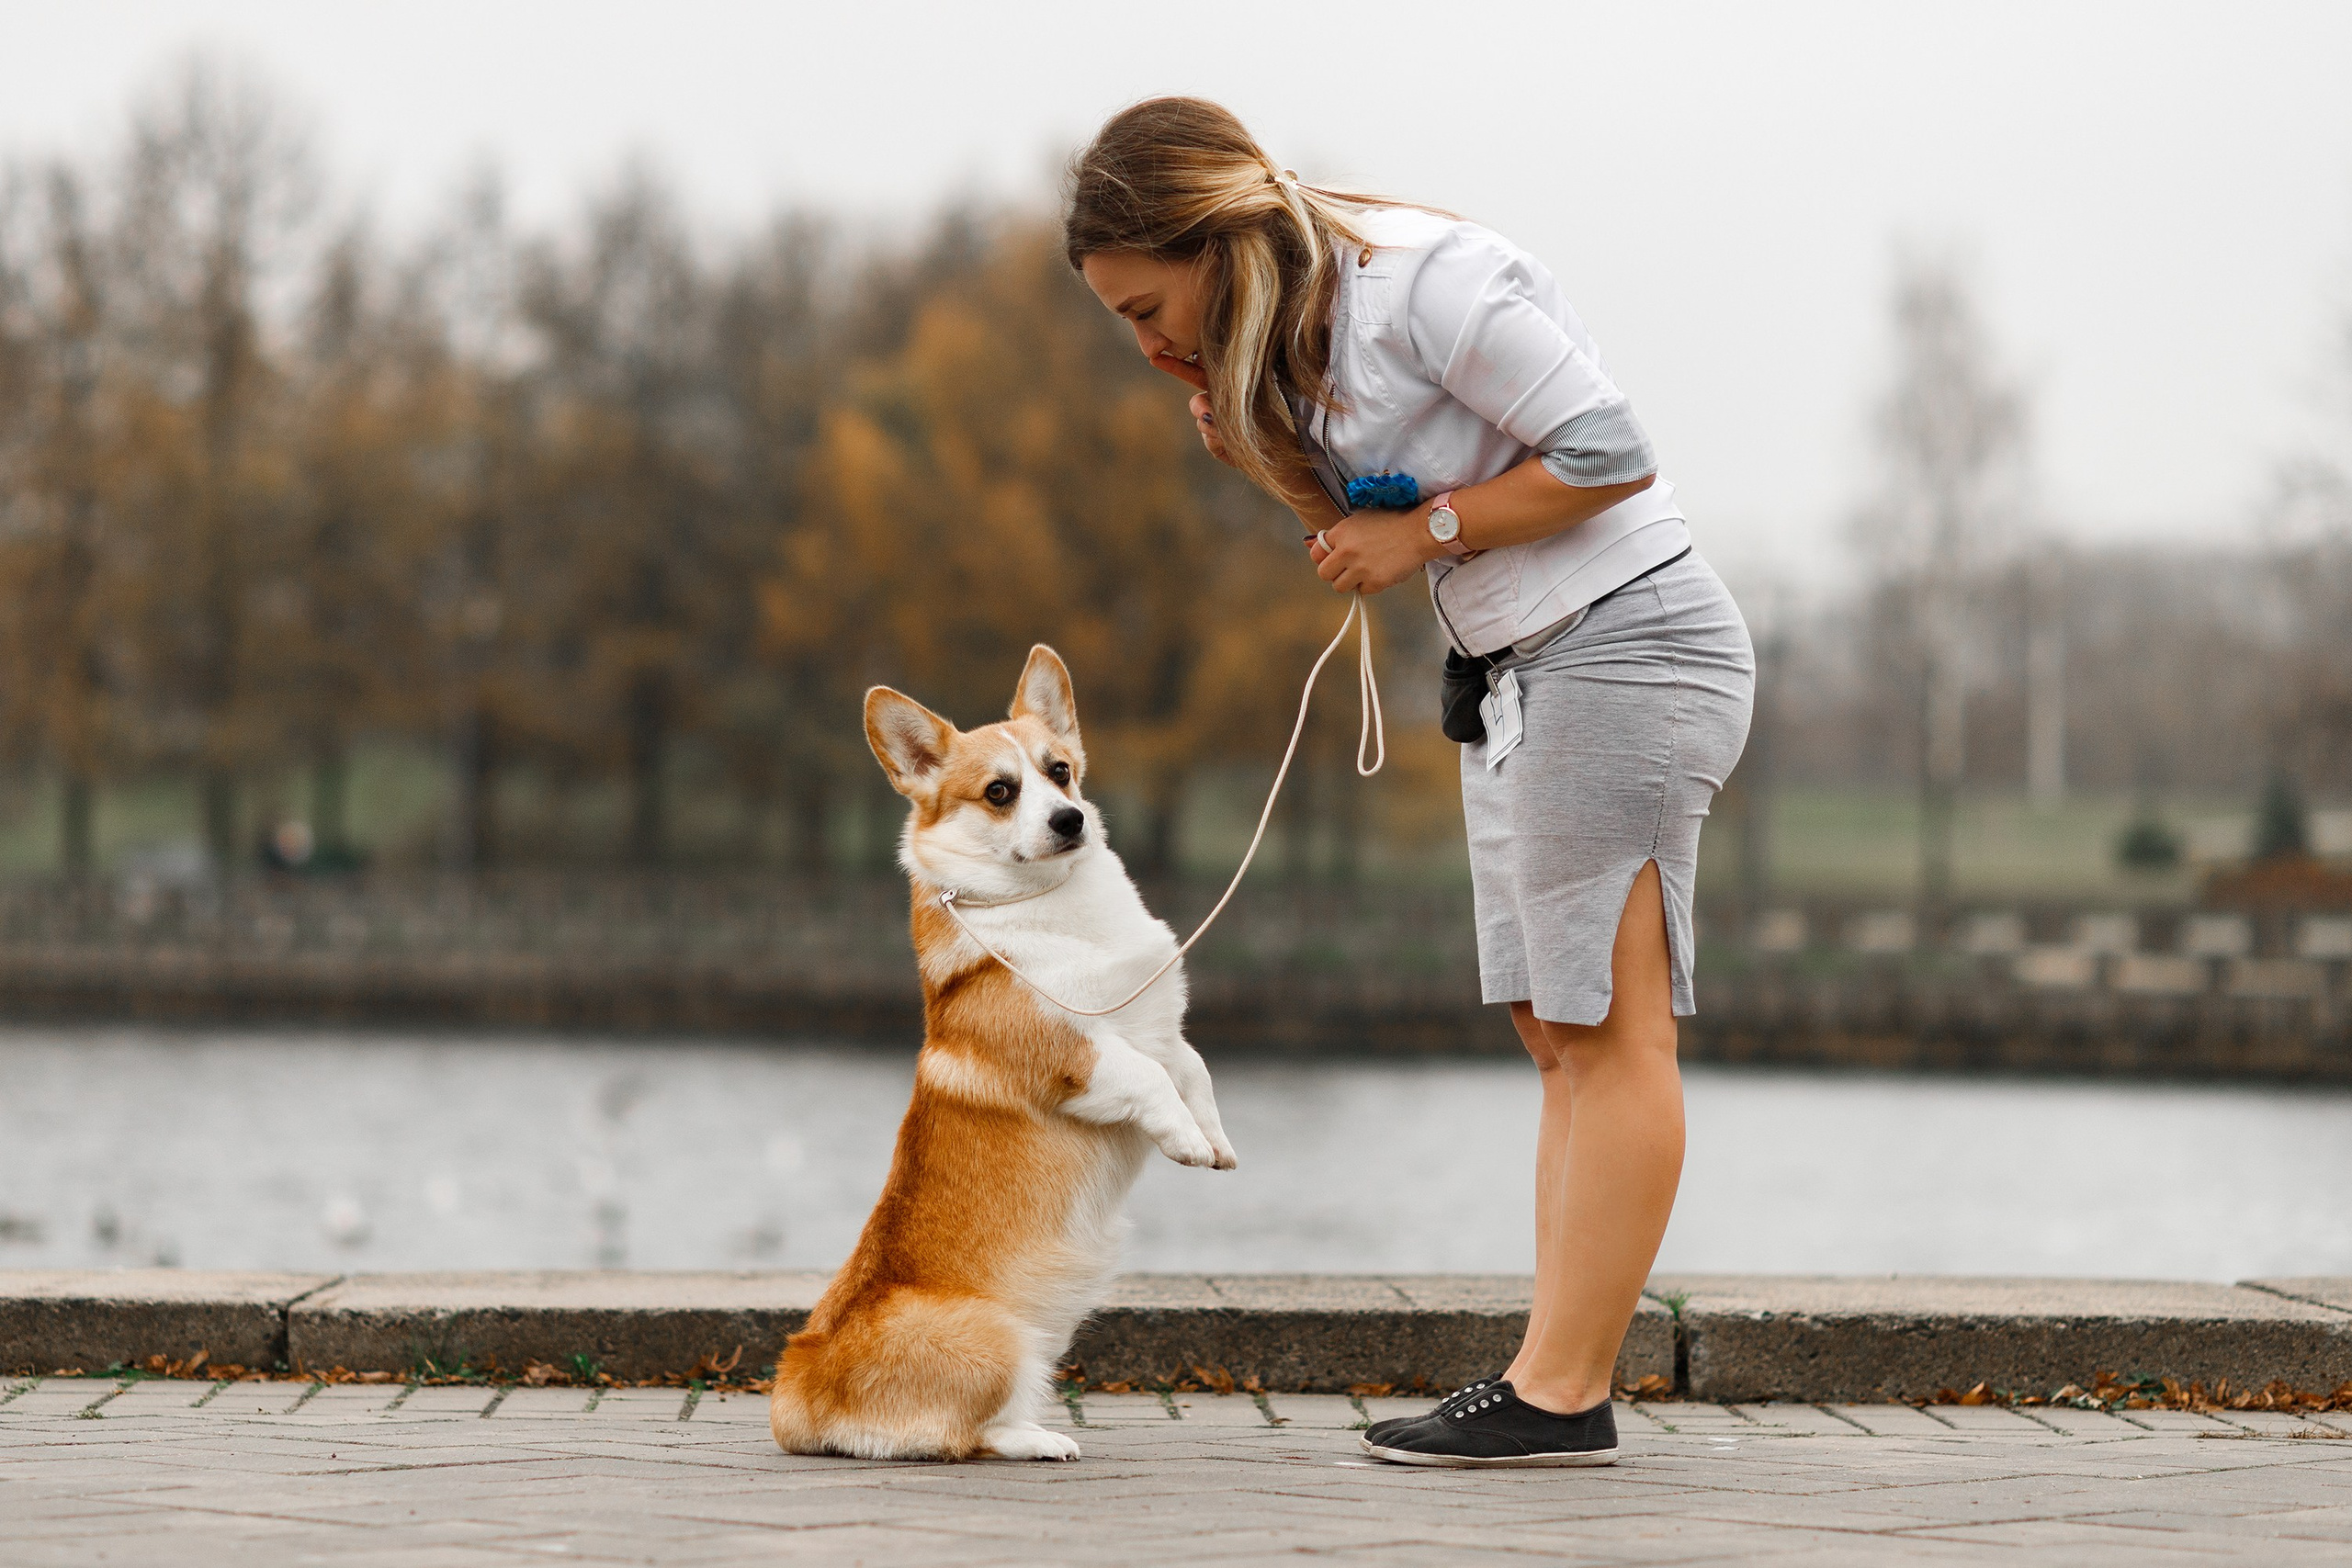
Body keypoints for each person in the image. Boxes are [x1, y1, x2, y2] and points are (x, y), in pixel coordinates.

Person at [1065, 98, 1754, 1468]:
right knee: (1554, 1031)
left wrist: (1423, 531)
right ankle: (1552, 1381)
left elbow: (1612, 452)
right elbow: (1365, 532)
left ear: (1216, 243)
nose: (1146, 345)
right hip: (1517, 672)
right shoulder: (1294, 348)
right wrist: (1267, 464)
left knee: (1612, 1035)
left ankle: (1560, 1396)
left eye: (1150, 306)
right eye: (1121, 326)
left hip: (1626, 642)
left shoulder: (1428, 285)